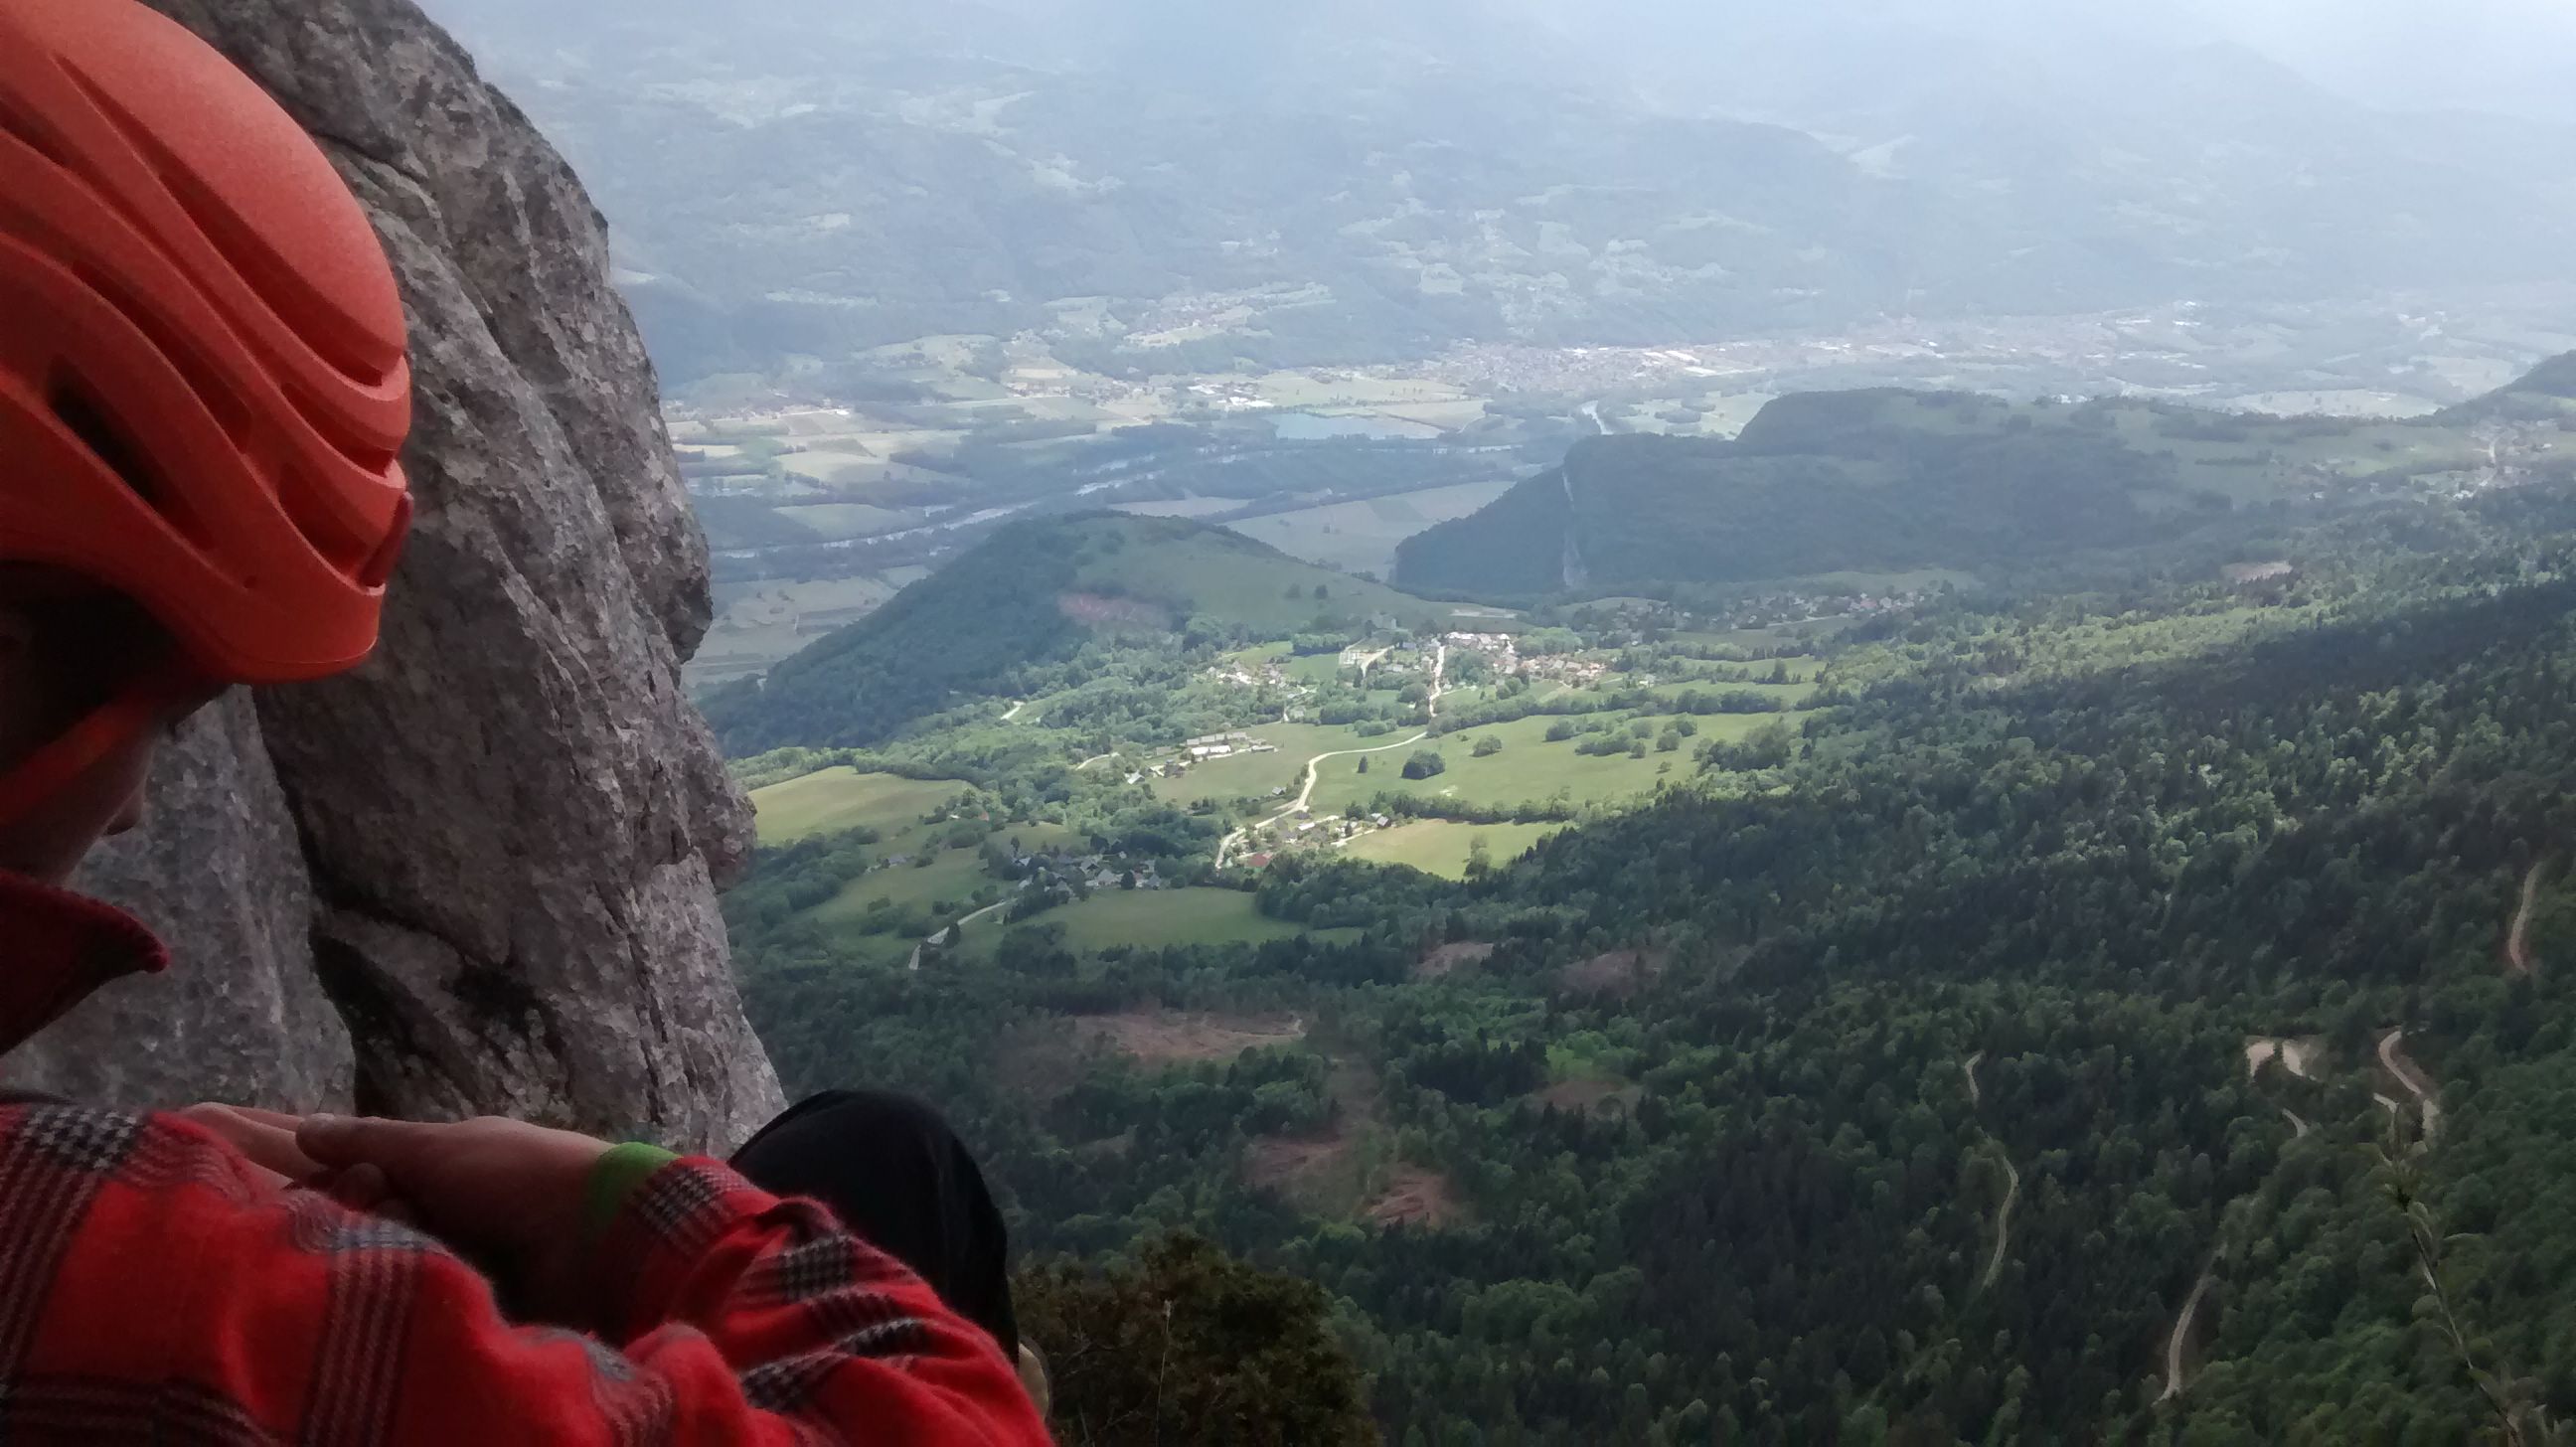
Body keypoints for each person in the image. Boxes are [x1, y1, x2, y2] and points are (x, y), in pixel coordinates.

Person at [0, 2, 1048, 1440]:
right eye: (166, 727)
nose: (129, 809)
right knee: (890, 1169)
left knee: (874, 1147)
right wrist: (614, 1203)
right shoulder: (136, 1287)